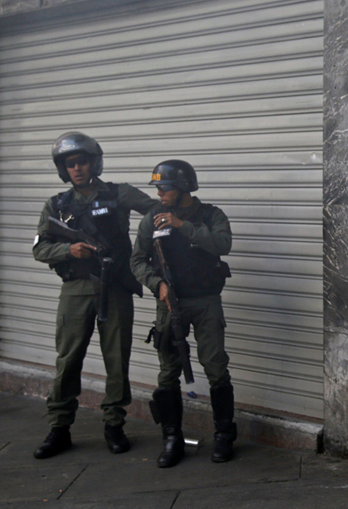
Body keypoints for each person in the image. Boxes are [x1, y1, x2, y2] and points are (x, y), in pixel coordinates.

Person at [31, 131, 155, 459]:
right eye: (70, 164)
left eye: (81, 162)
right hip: (75, 291)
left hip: (113, 289)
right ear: (63, 169)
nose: (77, 169)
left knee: (116, 359)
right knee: (68, 359)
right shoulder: (57, 205)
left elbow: (157, 215)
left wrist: (139, 253)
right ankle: (59, 427)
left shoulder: (118, 193)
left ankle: (114, 424)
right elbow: (39, 248)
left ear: (94, 162)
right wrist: (68, 249)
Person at [130, 160, 234, 468]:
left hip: (205, 301)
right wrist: (156, 283)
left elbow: (222, 244)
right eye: (158, 188)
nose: (159, 193)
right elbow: (137, 261)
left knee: (215, 366)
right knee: (168, 372)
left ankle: (224, 435)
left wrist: (180, 225)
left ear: (183, 188)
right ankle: (172, 438)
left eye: (165, 188)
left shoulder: (210, 215)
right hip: (169, 303)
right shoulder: (151, 219)